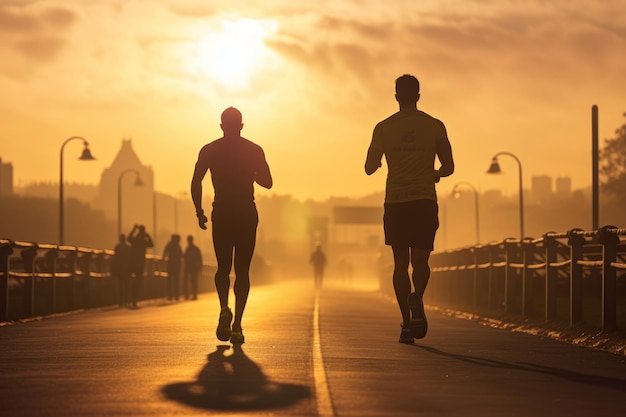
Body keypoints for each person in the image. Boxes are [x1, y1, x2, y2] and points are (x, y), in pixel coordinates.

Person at [364, 74, 454, 344]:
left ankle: (406, 323)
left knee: (400, 264)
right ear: (418, 96)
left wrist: (381, 162)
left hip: (396, 202)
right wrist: (435, 174)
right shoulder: (436, 126)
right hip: (424, 200)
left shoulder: (383, 128)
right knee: (421, 262)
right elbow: (449, 167)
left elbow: (369, 167)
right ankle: (418, 297)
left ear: (396, 97)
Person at [191, 106, 273, 344]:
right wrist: (251, 171)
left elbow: (196, 181)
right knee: (243, 271)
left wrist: (199, 212)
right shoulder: (254, 150)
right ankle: (237, 324)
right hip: (246, 213)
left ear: (221, 126)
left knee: (222, 268)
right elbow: (268, 183)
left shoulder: (210, 150)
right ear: (241, 126)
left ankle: (224, 307)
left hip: (222, 212)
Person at [127, 224, 154, 309]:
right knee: (137, 283)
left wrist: (133, 229)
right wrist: (148, 235)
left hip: (132, 264)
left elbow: (129, 238)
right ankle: (133, 300)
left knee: (132, 282)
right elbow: (152, 244)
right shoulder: (144, 242)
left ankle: (130, 300)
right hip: (139, 265)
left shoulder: (135, 240)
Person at [111, 233, 131, 308]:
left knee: (125, 286)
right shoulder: (119, 247)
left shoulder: (122, 247)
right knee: (121, 285)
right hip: (120, 268)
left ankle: (125, 301)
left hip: (126, 268)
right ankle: (122, 301)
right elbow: (115, 258)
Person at [163, 234, 183, 301]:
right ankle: (175, 296)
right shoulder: (177, 246)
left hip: (171, 265)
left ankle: (171, 296)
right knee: (175, 281)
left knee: (171, 281)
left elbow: (165, 253)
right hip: (175, 266)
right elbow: (182, 255)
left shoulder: (171, 245)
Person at [183, 235, 203, 300]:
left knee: (192, 280)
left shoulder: (189, 248)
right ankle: (190, 294)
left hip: (191, 267)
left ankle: (191, 294)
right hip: (191, 267)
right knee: (191, 281)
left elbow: (199, 258)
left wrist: (200, 266)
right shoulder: (192, 248)